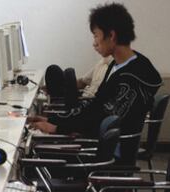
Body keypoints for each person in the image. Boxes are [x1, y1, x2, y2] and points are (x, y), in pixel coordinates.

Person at [30, 3, 162, 164]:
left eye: (96, 35)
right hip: (102, 143)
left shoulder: (132, 77)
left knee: (37, 156)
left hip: (110, 155)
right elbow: (96, 107)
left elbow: (102, 119)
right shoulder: (119, 65)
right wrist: (53, 118)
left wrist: (57, 128)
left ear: (111, 35)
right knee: (43, 146)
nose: (94, 42)